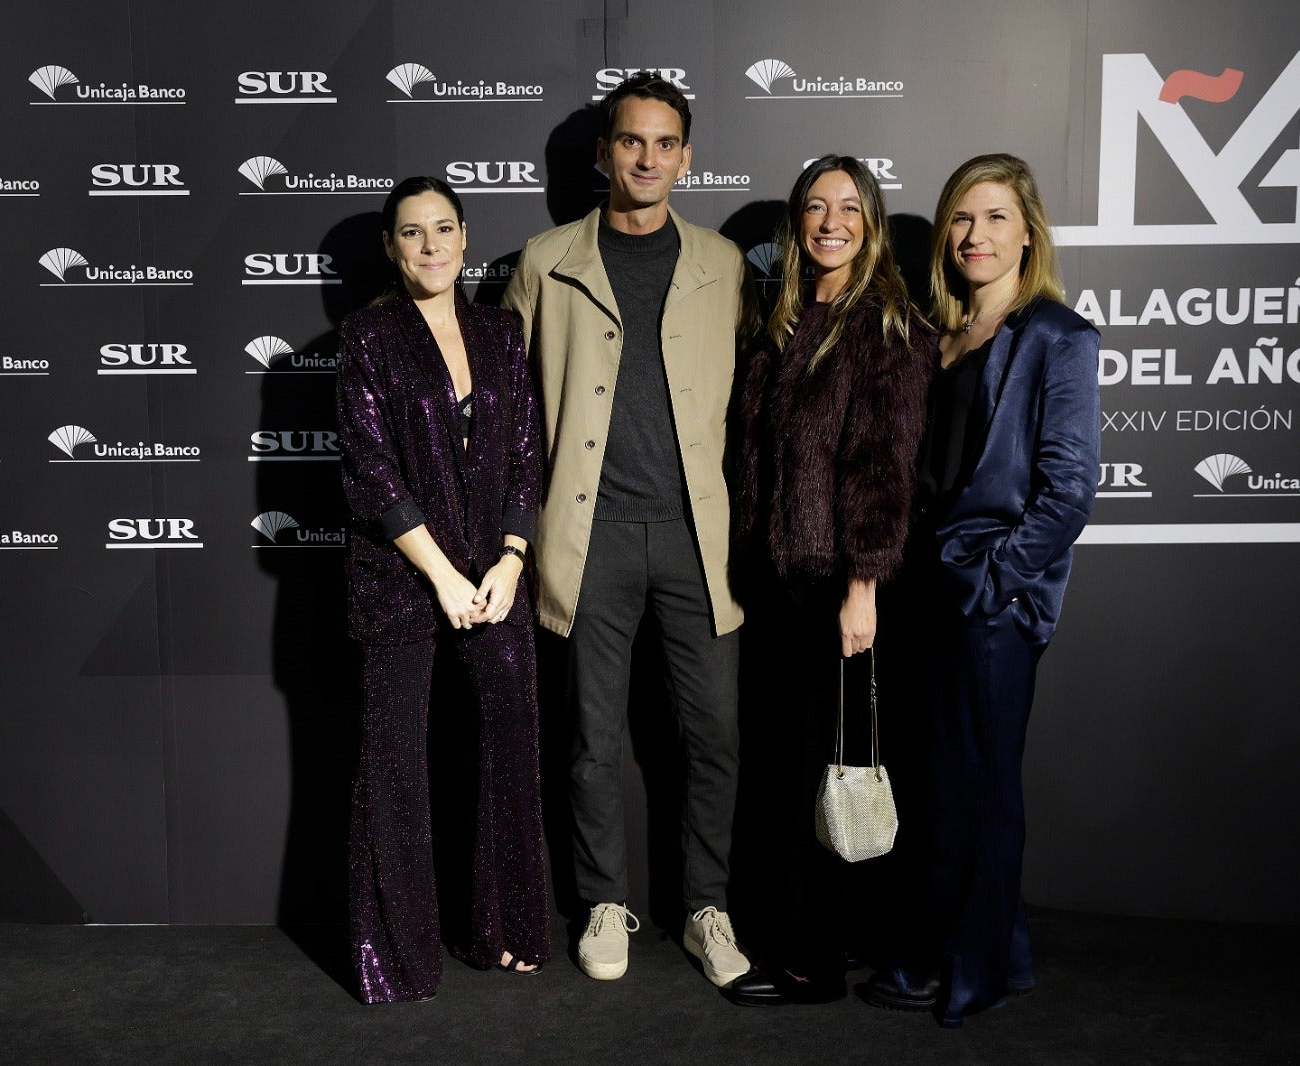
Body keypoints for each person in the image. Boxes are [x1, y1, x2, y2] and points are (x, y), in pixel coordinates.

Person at [501, 72, 750, 987]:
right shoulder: (546, 260)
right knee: (593, 739)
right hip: (589, 532)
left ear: (686, 156)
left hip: (696, 534)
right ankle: (605, 899)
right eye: (631, 141)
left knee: (714, 733)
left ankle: (707, 908)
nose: (647, 159)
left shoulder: (723, 264)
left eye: (665, 143)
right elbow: (510, 412)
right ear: (604, 152)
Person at [859, 154, 1100, 1028]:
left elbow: (1068, 490)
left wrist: (996, 582)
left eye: (995, 218)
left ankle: (970, 966)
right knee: (944, 784)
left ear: (1027, 232)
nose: (974, 236)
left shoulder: (1058, 339)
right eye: (962, 218)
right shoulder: (942, 334)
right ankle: (1006, 947)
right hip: (925, 591)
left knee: (981, 786)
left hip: (991, 601)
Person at [723, 155, 932, 1006]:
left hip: (842, 590)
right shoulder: (781, 315)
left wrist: (865, 586)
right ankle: (803, 938)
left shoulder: (888, 324)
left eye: (849, 207)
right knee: (786, 768)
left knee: (830, 771)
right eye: (816, 206)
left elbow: (884, 469)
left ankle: (813, 961)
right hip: (779, 583)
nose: (830, 222)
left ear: (872, 222)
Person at [337, 176, 548, 1003]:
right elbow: (370, 471)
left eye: (445, 229)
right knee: (394, 764)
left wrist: (509, 561)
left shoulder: (501, 331)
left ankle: (507, 929)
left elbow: (527, 453)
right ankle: (397, 958)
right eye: (413, 233)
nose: (431, 246)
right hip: (402, 577)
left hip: (493, 577)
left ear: (466, 238)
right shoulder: (367, 336)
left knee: (510, 744)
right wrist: (444, 574)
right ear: (393, 248)